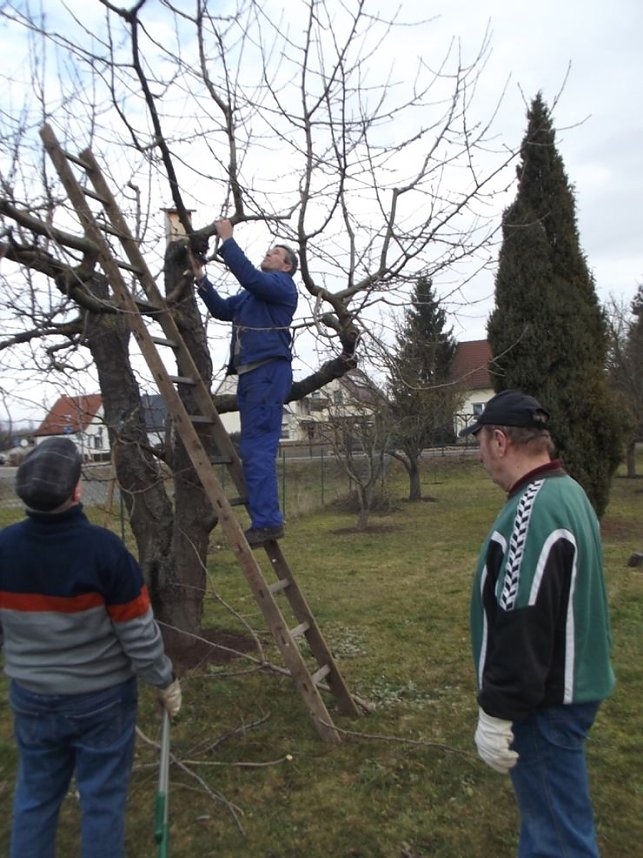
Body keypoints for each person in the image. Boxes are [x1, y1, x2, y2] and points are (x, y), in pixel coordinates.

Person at [0, 437, 182, 858]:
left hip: (31, 697)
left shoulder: (4, 549)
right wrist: (164, 678)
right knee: (101, 800)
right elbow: (138, 633)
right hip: (101, 701)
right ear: (76, 490)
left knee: (35, 796)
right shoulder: (105, 552)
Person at [460, 389, 615, 857]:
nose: (480, 453)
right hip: (566, 691)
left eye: (481, 441)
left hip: (545, 703)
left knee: (557, 839)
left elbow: (519, 618)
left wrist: (496, 712)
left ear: (501, 441)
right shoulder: (566, 490)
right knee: (553, 820)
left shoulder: (534, 508)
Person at [189, 218, 299, 547]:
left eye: (275, 253)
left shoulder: (282, 285)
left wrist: (228, 240)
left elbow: (250, 276)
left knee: (257, 449)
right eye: (268, 251)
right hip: (252, 376)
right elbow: (223, 309)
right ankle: (265, 519)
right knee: (253, 449)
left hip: (268, 372)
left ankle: (267, 522)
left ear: (287, 265)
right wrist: (200, 277)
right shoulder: (252, 297)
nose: (268, 254)